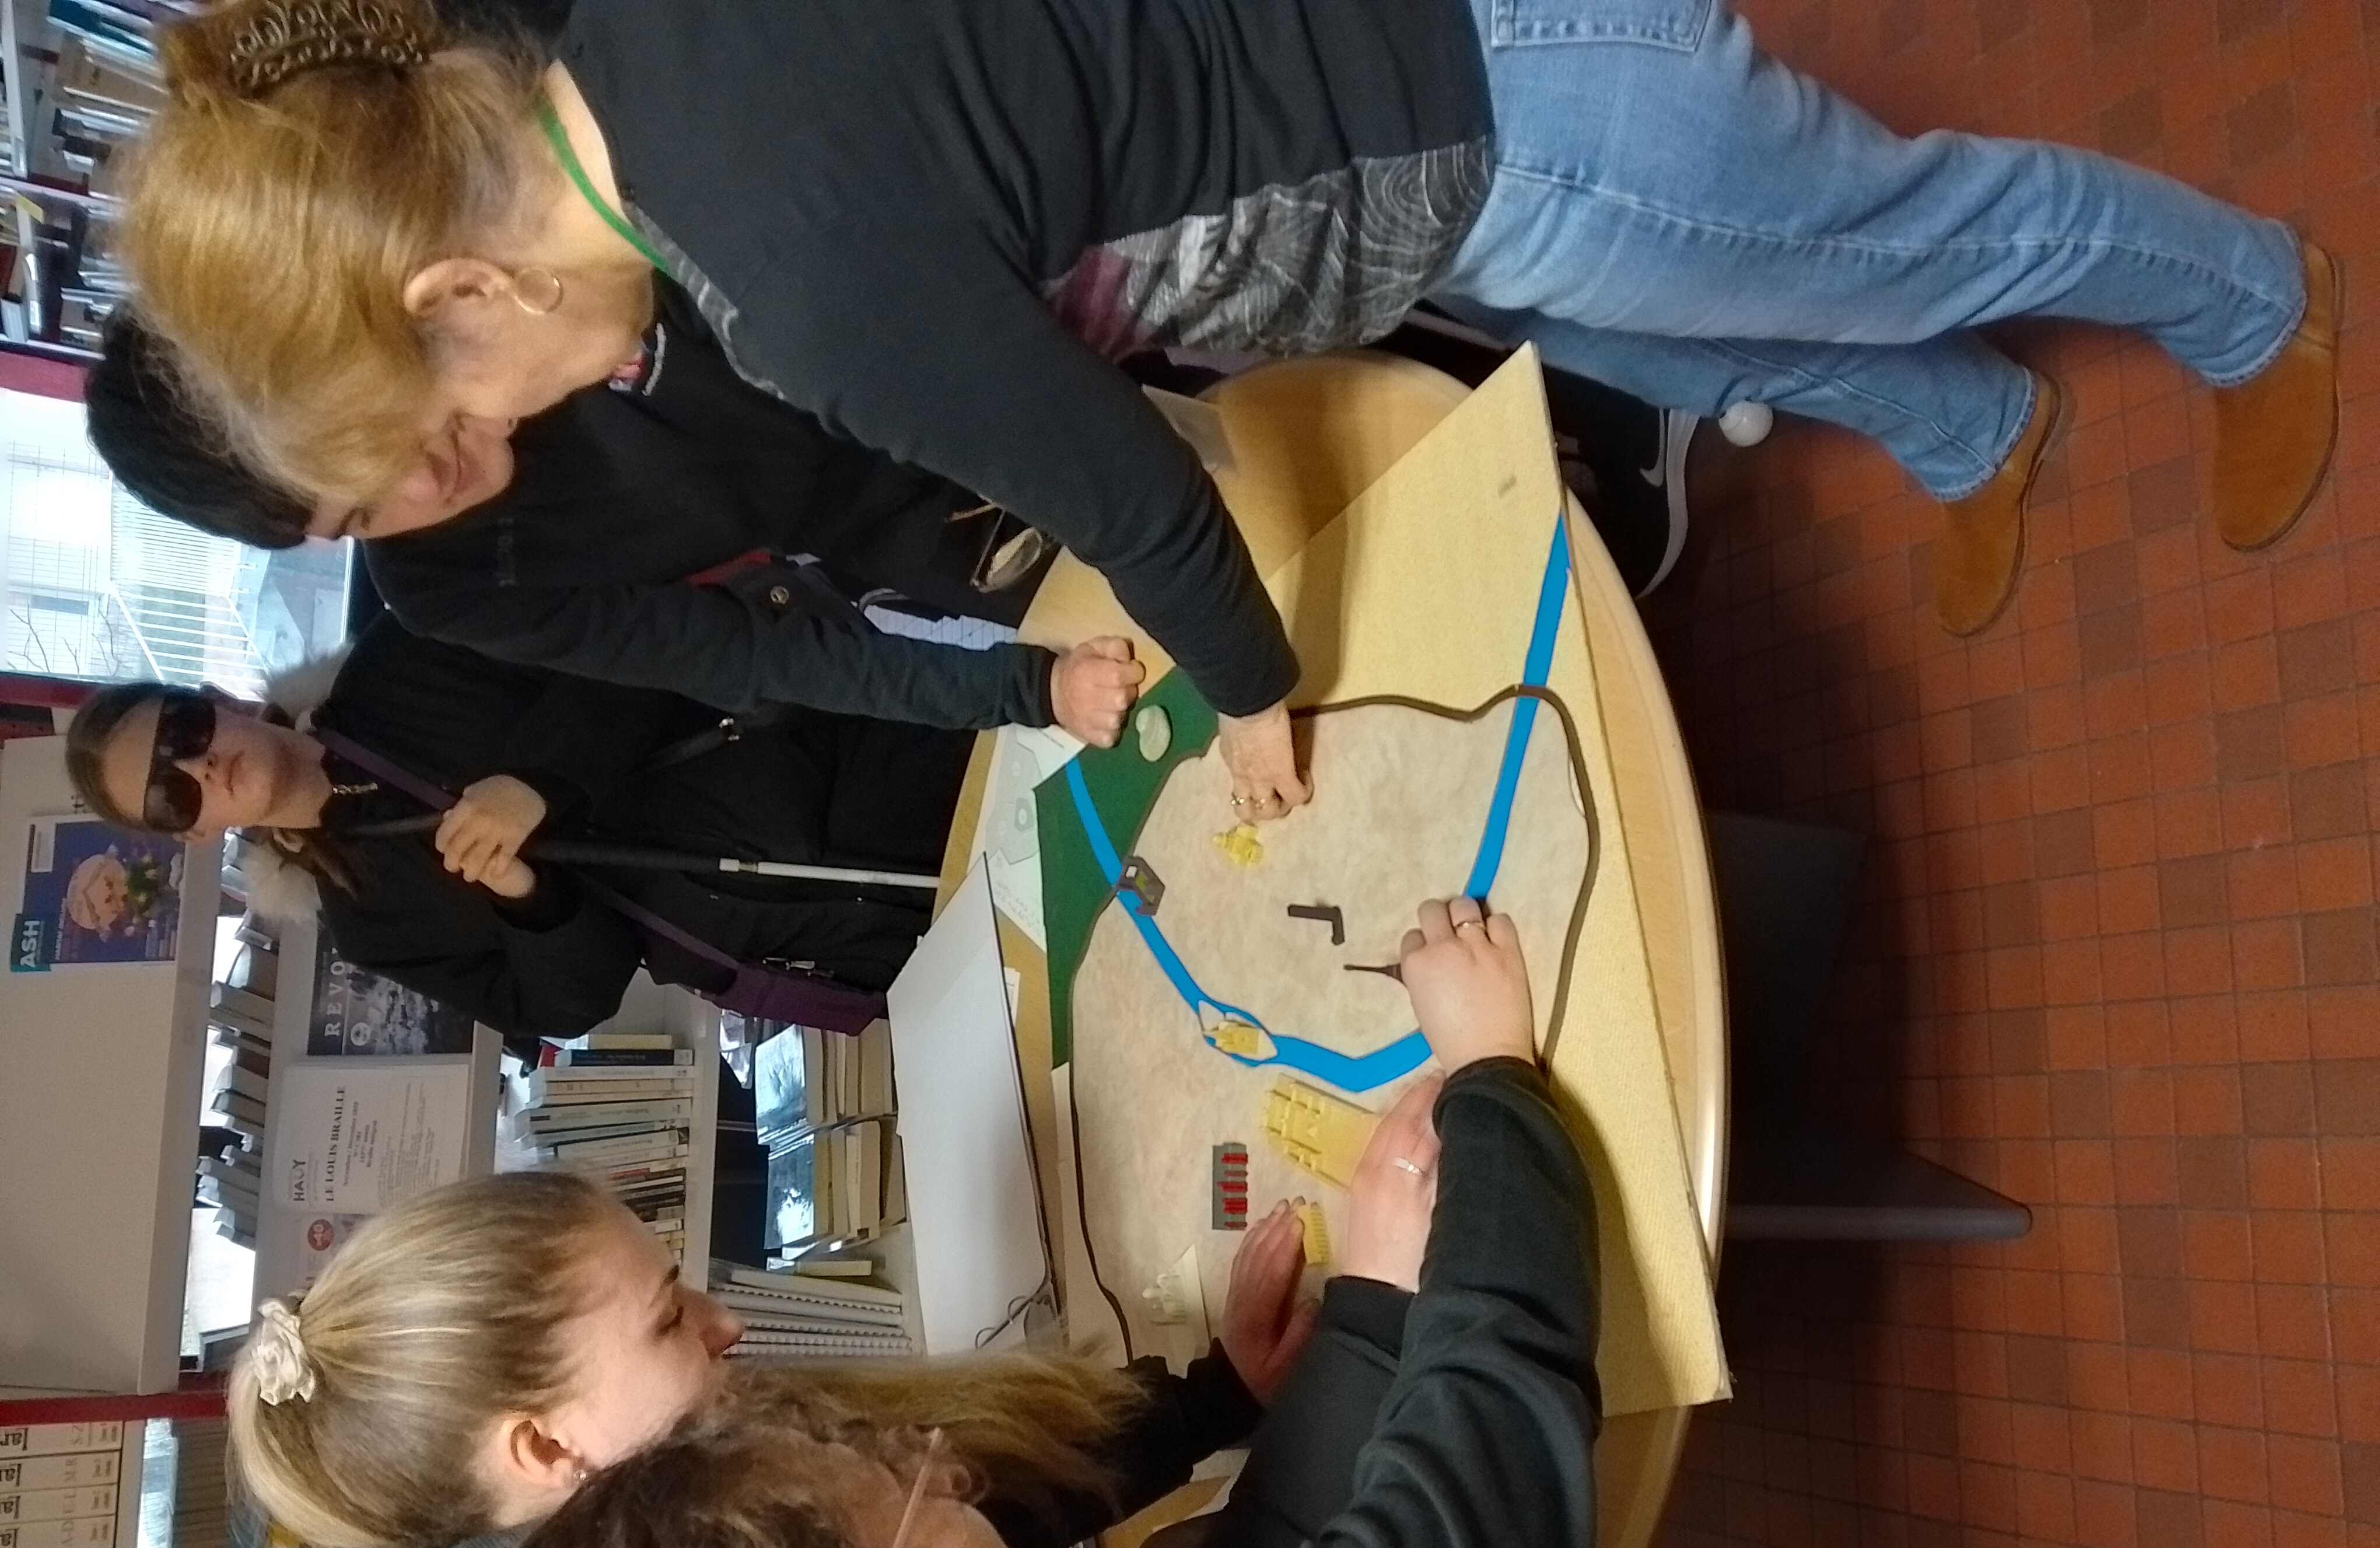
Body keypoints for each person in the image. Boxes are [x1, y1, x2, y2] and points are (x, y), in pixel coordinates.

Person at [120, 0, 2334, 825]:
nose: (521, 434)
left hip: (1490, 100)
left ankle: (2253, 299)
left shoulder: (784, 270)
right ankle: (1967, 433)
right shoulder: (616, 47)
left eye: (471, 412)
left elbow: (1133, 500)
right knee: (1705, 340)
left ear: (462, 285)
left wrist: (1251, 702)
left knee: (1897, 228)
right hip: (1397, 151)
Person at [468, 893, 1601, 1548]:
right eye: (902, 1481)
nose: (950, 1464)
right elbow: (1500, 1450)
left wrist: (1362, 1320)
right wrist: (1493, 1079)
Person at [194, 1153, 1404, 1548]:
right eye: (669, 1318)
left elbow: (923, 1537)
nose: (726, 1325)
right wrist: (1371, 1326)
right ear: (548, 1447)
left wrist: (1214, 1401)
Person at [88, 309, 1129, 741]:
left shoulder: (519, 251)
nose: (422, 481)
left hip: (979, 336)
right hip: (898, 514)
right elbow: (748, 654)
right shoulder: (443, 585)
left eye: (370, 431)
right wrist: (1028, 688)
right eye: (360, 510)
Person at [66, 616, 981, 1037]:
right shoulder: (366, 923)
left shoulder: (402, 655)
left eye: (184, 734)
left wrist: (539, 784)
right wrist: (527, 900)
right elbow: (566, 1008)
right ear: (190, 835)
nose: (198, 770)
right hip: (816, 938)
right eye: (170, 797)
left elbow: (631, 643)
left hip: (851, 772)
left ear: (218, 700)